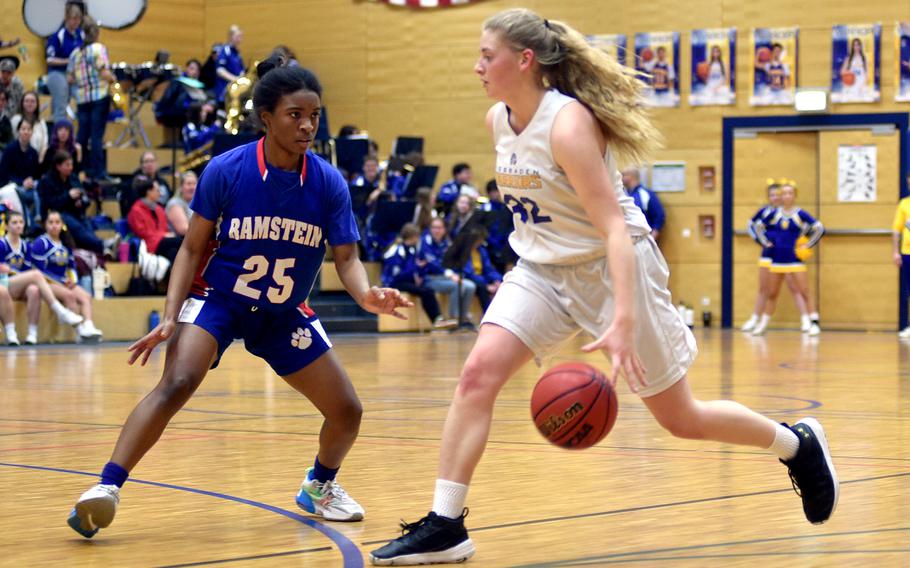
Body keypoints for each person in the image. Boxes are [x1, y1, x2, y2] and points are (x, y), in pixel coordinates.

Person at [370, 9, 837, 565]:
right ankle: (446, 523)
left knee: (680, 418)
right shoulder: (499, 119)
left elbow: (614, 227)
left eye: (486, 56)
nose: (476, 67)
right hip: (541, 270)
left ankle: (797, 445)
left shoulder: (567, 124)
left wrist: (622, 320)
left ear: (524, 60)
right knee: (476, 375)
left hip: (613, 267)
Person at [66, 57, 413, 539]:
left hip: (283, 310)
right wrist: (170, 316)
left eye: (314, 114)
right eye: (295, 115)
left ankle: (318, 486)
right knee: (178, 381)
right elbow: (190, 248)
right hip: (220, 300)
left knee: (348, 411)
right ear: (266, 118)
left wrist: (367, 294)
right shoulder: (226, 170)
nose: (308, 125)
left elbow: (348, 258)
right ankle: (106, 487)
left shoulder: (329, 182)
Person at [0, 211, 84, 344]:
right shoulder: (2, 244)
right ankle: (60, 310)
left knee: (34, 289)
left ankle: (32, 334)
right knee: (37, 274)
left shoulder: (26, 245)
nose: (18, 225)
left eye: (21, 222)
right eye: (14, 223)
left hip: (16, 284)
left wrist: (14, 271)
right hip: (3, 283)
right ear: (5, 226)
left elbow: (25, 272)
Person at [752, 181, 823, 337]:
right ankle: (763, 324)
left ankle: (814, 322)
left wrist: (808, 245)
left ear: (795, 195)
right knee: (772, 294)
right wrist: (764, 242)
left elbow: (819, 227)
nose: (787, 196)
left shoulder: (800, 214)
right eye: (784, 193)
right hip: (777, 260)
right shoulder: (775, 214)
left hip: (795, 259)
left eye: (790, 193)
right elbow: (757, 226)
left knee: (804, 291)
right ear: (781, 196)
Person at [29, 211, 103, 341]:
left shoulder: (65, 244)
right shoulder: (41, 243)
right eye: (50, 222)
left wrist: (72, 281)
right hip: (46, 282)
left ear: (62, 225)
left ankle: (88, 325)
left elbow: (71, 267)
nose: (54, 226)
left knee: (86, 296)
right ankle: (80, 332)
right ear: (45, 225)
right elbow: (39, 270)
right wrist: (61, 282)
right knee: (69, 295)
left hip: (63, 281)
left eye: (57, 222)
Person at [38, 150, 115, 255]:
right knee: (76, 226)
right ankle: (103, 245)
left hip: (75, 211)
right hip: (56, 213)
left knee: (87, 225)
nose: (71, 167)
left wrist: (81, 202)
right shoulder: (47, 181)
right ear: (58, 166)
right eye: (67, 165)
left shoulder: (73, 178)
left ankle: (101, 251)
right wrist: (68, 196)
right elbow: (49, 203)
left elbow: (84, 197)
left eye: (71, 164)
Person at [382, 223, 457, 330]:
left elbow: (413, 268)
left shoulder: (411, 249)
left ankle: (438, 319)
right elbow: (396, 275)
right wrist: (415, 269)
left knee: (427, 290)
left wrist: (419, 270)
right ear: (413, 237)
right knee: (426, 292)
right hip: (393, 283)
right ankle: (436, 319)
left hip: (405, 280)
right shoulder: (397, 250)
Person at [68, 16, 115, 183]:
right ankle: (98, 172)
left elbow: (70, 78)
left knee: (82, 135)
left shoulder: (75, 54)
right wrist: (113, 79)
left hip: (82, 99)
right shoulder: (98, 49)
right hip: (99, 96)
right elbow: (104, 73)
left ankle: (78, 169)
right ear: (95, 33)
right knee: (96, 136)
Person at [419, 218, 476, 324]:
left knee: (470, 286)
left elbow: (451, 261)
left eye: (439, 228)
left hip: (445, 277)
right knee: (458, 286)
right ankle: (454, 318)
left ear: (444, 230)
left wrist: (455, 273)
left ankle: (463, 318)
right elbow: (432, 263)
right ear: (430, 229)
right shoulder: (425, 242)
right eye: (434, 227)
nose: (437, 230)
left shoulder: (446, 243)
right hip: (430, 278)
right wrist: (450, 274)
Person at [127, 176, 183, 265]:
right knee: (180, 241)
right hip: (148, 244)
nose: (160, 193)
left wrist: (164, 235)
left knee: (173, 253)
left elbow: (165, 229)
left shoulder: (159, 209)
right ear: (149, 192)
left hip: (162, 243)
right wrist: (163, 235)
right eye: (157, 190)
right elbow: (142, 233)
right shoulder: (136, 211)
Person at [45, 2, 84, 122]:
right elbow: (50, 59)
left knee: (83, 99)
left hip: (73, 74)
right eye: (74, 19)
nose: (76, 22)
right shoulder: (58, 35)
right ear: (67, 18)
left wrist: (73, 72)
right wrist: (68, 61)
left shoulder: (80, 35)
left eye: (79, 19)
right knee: (61, 105)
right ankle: (58, 135)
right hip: (57, 73)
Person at [0, 119, 41, 227]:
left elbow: (36, 174)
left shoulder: (33, 152)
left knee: (40, 188)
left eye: (28, 129)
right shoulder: (9, 150)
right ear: (18, 131)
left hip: (29, 187)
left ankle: (38, 217)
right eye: (23, 129)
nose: (26, 132)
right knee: (19, 195)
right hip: (12, 187)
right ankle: (30, 225)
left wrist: (30, 181)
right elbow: (4, 174)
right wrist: (22, 182)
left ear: (32, 132)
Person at [620, 167, 664, 241]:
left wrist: (651, 240)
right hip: (625, 240)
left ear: (631, 176)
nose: (620, 178)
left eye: (623, 175)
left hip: (642, 240)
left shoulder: (646, 194)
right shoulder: (622, 194)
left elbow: (659, 217)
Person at [893, 184, 910, 338]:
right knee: (909, 290)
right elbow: (897, 229)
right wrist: (895, 251)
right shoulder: (904, 204)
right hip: (907, 252)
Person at [213, 25, 245, 105]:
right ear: (231, 36)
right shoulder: (225, 50)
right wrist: (235, 79)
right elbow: (220, 71)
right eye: (237, 36)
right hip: (224, 91)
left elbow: (241, 70)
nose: (240, 39)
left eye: (241, 36)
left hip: (235, 91)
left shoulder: (237, 52)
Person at [11, 91, 49, 156]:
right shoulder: (16, 119)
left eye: (32, 101)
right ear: (22, 103)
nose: (29, 104)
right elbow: (13, 140)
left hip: (38, 158)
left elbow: (45, 143)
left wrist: (41, 158)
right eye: (26, 101)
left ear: (37, 104)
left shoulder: (41, 122)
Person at [166, 172, 196, 237]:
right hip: (179, 243)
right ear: (181, 187)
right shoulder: (175, 203)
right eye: (189, 184)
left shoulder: (196, 202)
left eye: (194, 184)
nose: (192, 187)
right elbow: (184, 230)